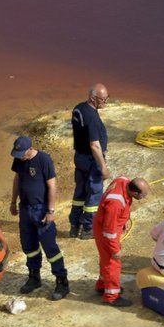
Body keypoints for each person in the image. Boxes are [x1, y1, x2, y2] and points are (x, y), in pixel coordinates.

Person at [9, 136, 69, 300]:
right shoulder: (19, 160)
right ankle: (34, 277)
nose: (19, 156)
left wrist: (50, 210)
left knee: (50, 247)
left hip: (41, 209)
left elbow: (52, 185)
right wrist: (13, 202)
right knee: (29, 245)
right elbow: (17, 179)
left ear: (30, 149)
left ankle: (62, 282)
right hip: (25, 209)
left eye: (22, 153)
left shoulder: (43, 159)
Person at [92, 175, 150, 307]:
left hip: (104, 226)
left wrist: (125, 219)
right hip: (106, 233)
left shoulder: (123, 180)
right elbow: (109, 231)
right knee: (113, 263)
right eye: (143, 195)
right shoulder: (116, 203)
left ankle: (102, 285)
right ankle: (112, 296)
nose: (144, 198)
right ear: (135, 192)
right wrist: (115, 250)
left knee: (106, 260)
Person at [69, 83, 111, 240]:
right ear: (92, 98)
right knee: (94, 195)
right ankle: (88, 228)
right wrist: (103, 167)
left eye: (107, 98)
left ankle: (74, 226)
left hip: (79, 158)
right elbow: (94, 145)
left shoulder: (78, 108)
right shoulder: (92, 117)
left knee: (79, 193)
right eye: (103, 99)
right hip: (91, 160)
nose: (105, 102)